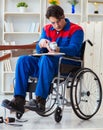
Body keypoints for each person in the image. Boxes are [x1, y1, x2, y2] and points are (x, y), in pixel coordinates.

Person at [2, 5, 84, 114]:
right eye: (53, 23)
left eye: (58, 21)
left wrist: (58, 48)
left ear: (63, 16)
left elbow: (74, 49)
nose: (56, 25)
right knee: (23, 60)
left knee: (46, 58)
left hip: (66, 64)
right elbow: (39, 50)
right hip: (46, 63)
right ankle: (19, 100)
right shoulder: (47, 29)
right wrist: (40, 44)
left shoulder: (76, 30)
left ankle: (40, 101)